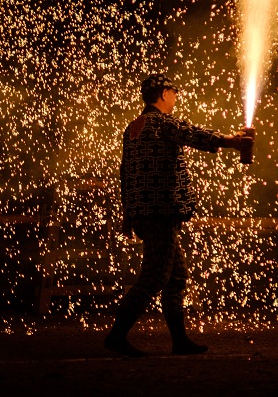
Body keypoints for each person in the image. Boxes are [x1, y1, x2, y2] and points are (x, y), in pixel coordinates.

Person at [104, 73, 254, 357]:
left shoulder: (133, 127)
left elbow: (125, 171)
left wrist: (128, 213)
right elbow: (194, 135)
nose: (176, 96)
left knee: (175, 277)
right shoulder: (163, 123)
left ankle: (180, 341)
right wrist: (232, 141)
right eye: (174, 91)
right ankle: (116, 336)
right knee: (154, 278)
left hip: (144, 212)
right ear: (163, 94)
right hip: (160, 213)